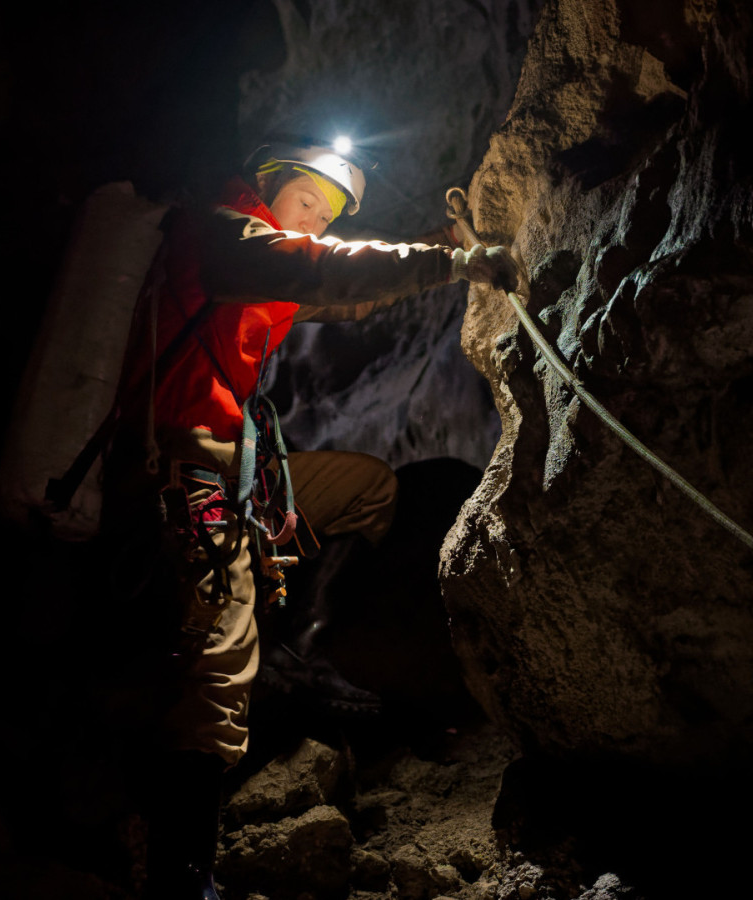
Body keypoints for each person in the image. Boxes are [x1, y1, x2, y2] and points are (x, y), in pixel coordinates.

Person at [114, 139, 517, 898]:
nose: (321, 223)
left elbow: (347, 290)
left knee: (368, 488)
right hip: (185, 468)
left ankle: (309, 646)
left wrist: (441, 246)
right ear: (270, 186)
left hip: (246, 473)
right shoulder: (221, 234)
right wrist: (449, 264)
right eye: (311, 203)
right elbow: (323, 268)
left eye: (331, 215)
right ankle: (183, 873)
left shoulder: (264, 261)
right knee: (218, 662)